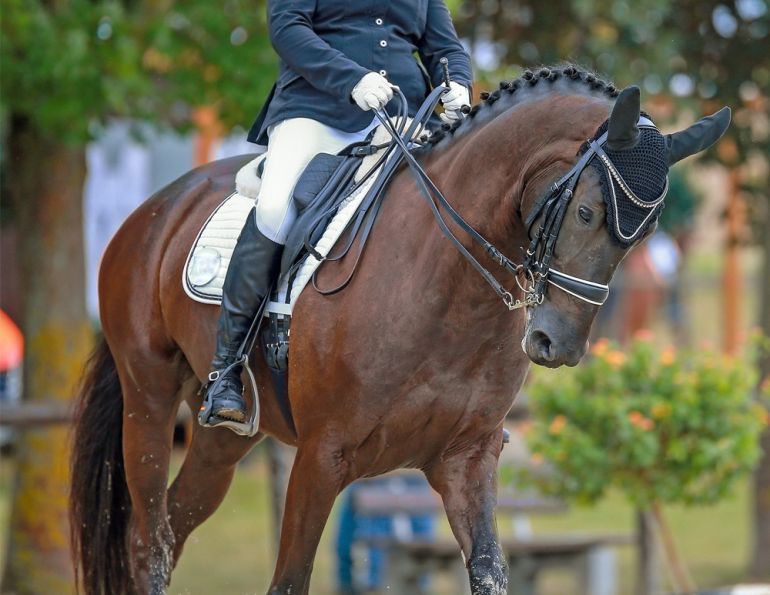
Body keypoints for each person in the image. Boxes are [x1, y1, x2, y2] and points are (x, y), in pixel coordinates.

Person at [204, 0, 474, 424]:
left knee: (464, 198)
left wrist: (456, 82)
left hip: (404, 114)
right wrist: (352, 79)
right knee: (275, 209)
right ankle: (227, 369)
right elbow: (287, 28)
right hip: (317, 108)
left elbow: (445, 47)